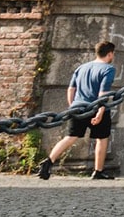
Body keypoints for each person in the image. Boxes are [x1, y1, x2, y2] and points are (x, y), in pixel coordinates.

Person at [37, 41, 118, 180]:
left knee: (70, 137)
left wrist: (72, 106)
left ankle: (49, 161)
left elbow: (71, 89)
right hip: (96, 107)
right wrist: (100, 112)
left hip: (77, 106)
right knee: (102, 138)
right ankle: (98, 171)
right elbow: (103, 93)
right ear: (110, 54)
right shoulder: (108, 69)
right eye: (113, 54)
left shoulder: (82, 67)